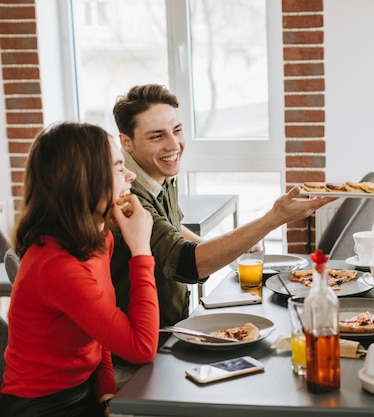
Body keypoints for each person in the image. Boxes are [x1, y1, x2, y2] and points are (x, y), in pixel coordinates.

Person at [110, 84, 333, 332]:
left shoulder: (155, 170)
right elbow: (185, 262)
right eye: (157, 136)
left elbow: (172, 228)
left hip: (168, 330)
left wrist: (231, 247)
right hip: (134, 349)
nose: (174, 145)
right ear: (126, 142)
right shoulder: (126, 193)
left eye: (177, 130)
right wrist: (274, 219)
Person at [0, 122, 158, 416]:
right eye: (119, 166)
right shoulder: (55, 266)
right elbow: (141, 346)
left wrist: (106, 391)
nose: (131, 176)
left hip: (86, 391)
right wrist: (141, 250)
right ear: (85, 181)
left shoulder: (98, 239)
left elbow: (100, 328)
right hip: (42, 407)